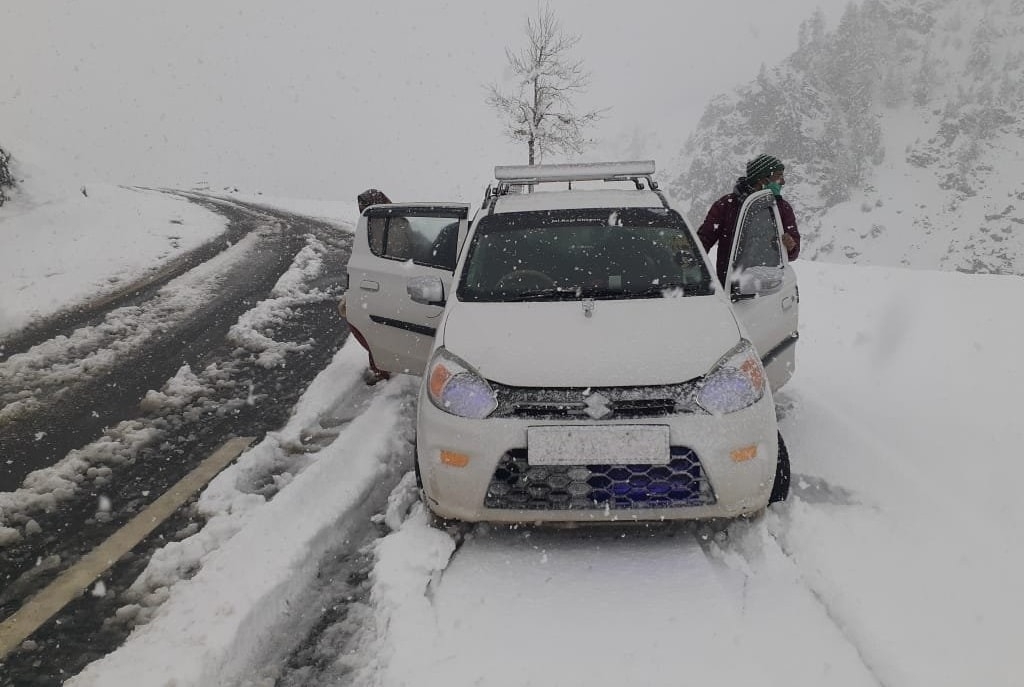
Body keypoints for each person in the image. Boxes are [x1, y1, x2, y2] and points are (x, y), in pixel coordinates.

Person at [697, 154, 800, 287]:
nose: (783, 181)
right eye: (779, 176)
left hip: (769, 289)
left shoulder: (782, 208)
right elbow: (703, 241)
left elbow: (793, 253)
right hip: (732, 289)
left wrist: (791, 246)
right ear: (763, 179)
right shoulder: (726, 205)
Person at [339, 188, 394, 385]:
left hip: (389, 285)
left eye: (365, 206)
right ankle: (381, 365)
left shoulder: (393, 224)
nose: (362, 210)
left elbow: (389, 258)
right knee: (370, 325)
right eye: (361, 208)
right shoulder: (371, 224)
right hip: (376, 285)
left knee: (370, 327)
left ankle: (383, 369)